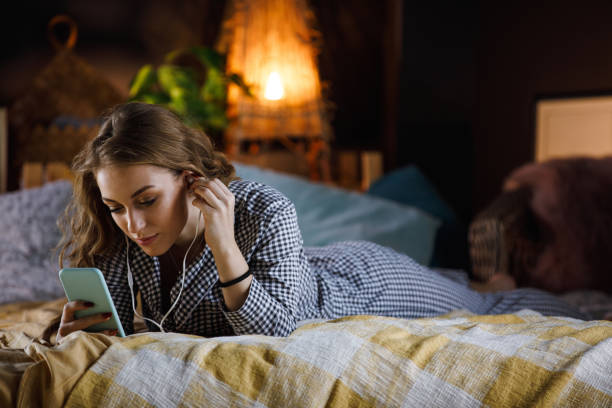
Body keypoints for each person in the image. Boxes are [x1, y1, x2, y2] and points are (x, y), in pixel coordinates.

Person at [56, 102, 587, 343]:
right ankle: (475, 278)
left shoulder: (264, 210)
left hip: (360, 285)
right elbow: (123, 334)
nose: (132, 221)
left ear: (191, 180)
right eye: (116, 206)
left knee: (490, 305)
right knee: (465, 286)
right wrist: (79, 333)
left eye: (146, 200)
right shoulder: (123, 237)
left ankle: (492, 283)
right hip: (305, 270)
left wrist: (223, 244)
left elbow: (288, 330)